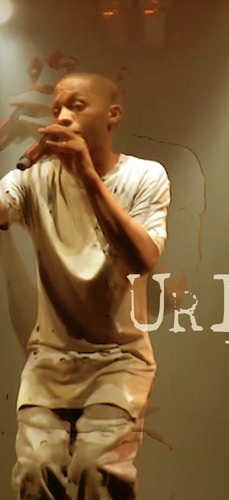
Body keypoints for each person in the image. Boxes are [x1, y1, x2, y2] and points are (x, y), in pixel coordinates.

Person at [0, 72, 170, 499]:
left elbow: (141, 260)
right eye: (57, 108)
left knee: (98, 469)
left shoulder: (145, 176)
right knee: (35, 471)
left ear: (112, 115)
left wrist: (88, 177)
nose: (62, 117)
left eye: (76, 106)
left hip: (119, 358)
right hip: (50, 358)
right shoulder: (33, 178)